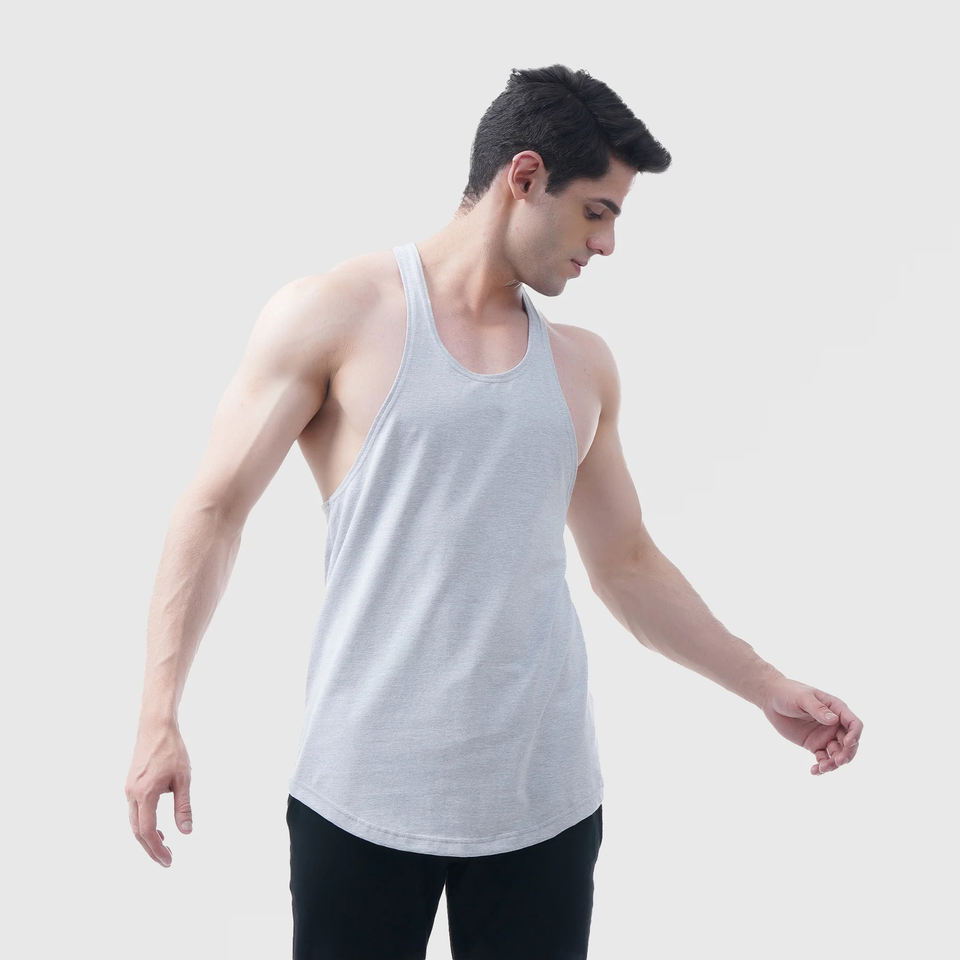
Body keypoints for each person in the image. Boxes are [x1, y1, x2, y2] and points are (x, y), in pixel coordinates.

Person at [125, 63, 863, 958]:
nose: (608, 245)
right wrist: (159, 714)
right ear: (525, 176)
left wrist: (766, 684)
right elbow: (213, 510)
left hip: (544, 806)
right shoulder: (337, 314)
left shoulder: (583, 367)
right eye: (596, 211)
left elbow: (626, 562)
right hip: (362, 797)